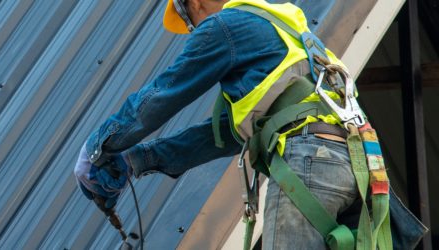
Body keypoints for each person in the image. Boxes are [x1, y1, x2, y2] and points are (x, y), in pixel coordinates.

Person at [73, 0, 395, 249]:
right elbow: (222, 135)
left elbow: (162, 95)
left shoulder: (223, 27)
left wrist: (98, 146)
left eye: (188, 21)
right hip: (357, 165)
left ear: (194, 4)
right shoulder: (281, 27)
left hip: (310, 161)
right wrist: (138, 160)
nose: (192, 31)